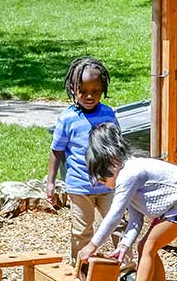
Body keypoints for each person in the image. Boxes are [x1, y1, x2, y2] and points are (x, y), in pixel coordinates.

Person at [77, 123, 177, 281]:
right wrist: (123, 245)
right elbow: (135, 220)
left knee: (147, 248)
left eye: (104, 179)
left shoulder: (129, 174)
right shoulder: (125, 176)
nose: (104, 185)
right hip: (175, 204)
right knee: (147, 247)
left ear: (113, 161)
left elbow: (115, 215)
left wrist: (92, 245)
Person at [46, 57, 121, 265]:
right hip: (79, 187)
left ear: (103, 89)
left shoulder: (108, 113)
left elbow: (116, 147)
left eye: (95, 91)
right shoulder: (67, 118)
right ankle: (82, 266)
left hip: (107, 186)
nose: (89, 96)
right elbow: (56, 150)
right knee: (82, 230)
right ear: (73, 88)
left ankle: (127, 267)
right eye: (83, 91)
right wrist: (51, 182)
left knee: (118, 225)